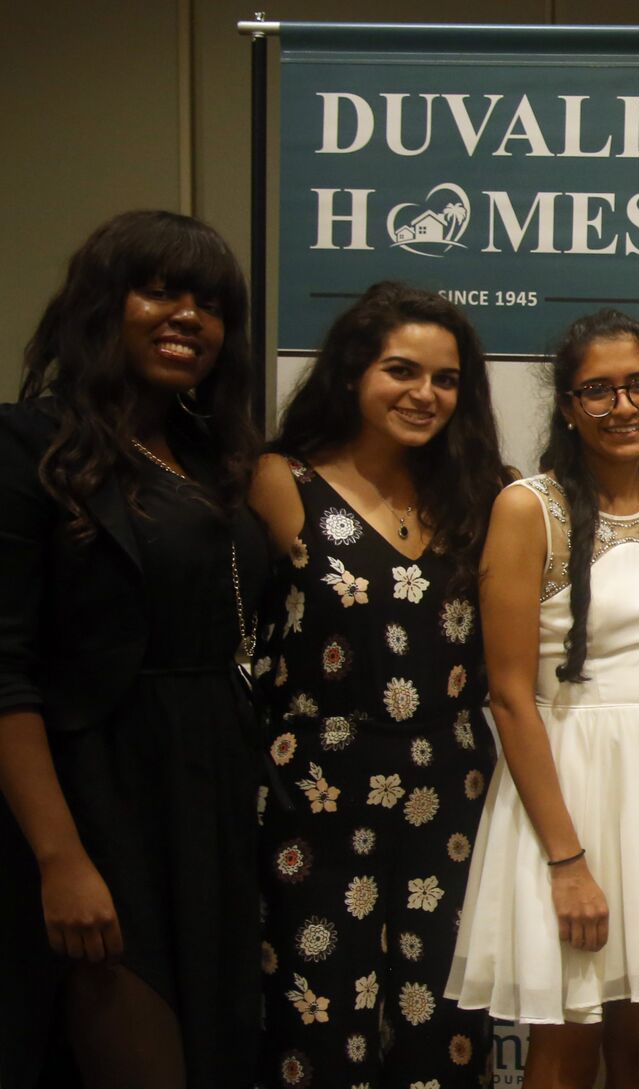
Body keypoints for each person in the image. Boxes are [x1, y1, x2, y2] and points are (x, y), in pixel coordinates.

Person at [0, 209, 264, 1088]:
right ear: (102, 306)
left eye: (210, 303)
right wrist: (60, 859)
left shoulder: (212, 457)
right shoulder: (25, 447)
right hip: (100, 796)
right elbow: (7, 677)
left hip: (213, 797)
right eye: (160, 291)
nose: (189, 316)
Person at [447, 310, 639, 1086]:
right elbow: (510, 696)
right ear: (569, 406)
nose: (624, 406)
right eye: (598, 390)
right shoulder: (528, 507)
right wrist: (567, 859)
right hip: (568, 785)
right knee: (567, 1048)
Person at [248, 281, 506, 1088]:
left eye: (445, 378)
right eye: (402, 370)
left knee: (443, 1018)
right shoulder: (282, 481)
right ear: (353, 370)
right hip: (318, 791)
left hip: (451, 787)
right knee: (320, 1010)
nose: (424, 394)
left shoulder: (482, 494)